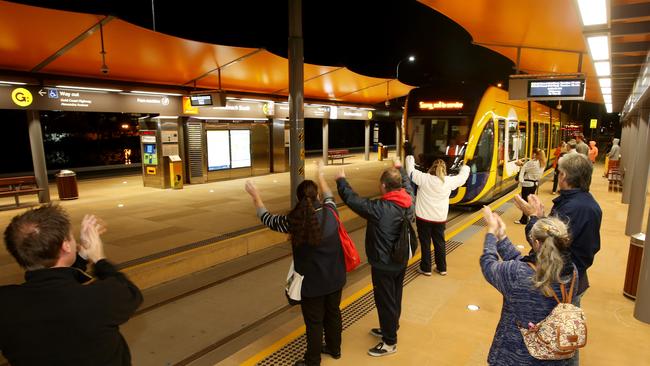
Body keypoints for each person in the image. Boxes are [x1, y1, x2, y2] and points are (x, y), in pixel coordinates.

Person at [0, 204, 143, 366]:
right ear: (66, 246)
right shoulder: (98, 298)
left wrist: (80, 256)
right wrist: (99, 258)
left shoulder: (5, 301)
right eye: (71, 237)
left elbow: (56, 282)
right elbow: (131, 293)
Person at [244, 162, 345, 366]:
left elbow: (266, 218)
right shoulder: (332, 212)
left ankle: (312, 361)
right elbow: (328, 194)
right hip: (335, 278)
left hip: (312, 285)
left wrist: (255, 196)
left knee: (314, 323)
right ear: (317, 196)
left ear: (299, 199)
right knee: (333, 314)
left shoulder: (294, 221)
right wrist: (320, 174)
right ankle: (334, 349)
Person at [480, 206, 577, 365]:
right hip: (553, 355)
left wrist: (491, 233)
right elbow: (528, 267)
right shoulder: (572, 272)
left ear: (537, 244)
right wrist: (502, 237)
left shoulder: (517, 274)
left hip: (514, 355)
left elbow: (488, 264)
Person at [336, 160, 414, 357]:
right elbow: (408, 185)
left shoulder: (379, 208)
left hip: (384, 262)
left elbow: (352, 200)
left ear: (384, 186)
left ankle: (389, 342)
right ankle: (391, 327)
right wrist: (401, 169)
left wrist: (341, 180)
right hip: (401, 258)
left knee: (385, 300)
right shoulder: (408, 200)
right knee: (395, 296)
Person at [404, 150, 470, 276]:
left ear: (431, 168)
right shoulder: (448, 181)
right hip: (439, 219)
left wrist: (410, 157)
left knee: (425, 243)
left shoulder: (424, 178)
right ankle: (442, 267)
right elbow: (462, 178)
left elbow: (410, 171)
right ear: (444, 170)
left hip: (423, 218)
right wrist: (465, 167)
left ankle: (426, 268)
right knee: (440, 242)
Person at [514, 148, 546, 225]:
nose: (532, 155)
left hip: (527, 185)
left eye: (533, 153)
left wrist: (520, 164)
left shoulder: (532, 163)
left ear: (535, 154)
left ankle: (524, 220)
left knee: (525, 202)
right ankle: (530, 216)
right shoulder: (542, 163)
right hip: (534, 185)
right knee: (530, 201)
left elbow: (524, 168)